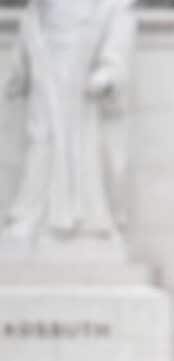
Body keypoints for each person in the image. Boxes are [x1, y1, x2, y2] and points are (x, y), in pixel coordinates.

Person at [3, 0, 136, 250]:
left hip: (84, 93)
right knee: (41, 146)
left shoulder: (112, 6)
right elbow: (30, 32)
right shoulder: (39, 7)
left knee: (84, 153)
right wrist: (19, 70)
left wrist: (107, 75)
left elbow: (118, 49)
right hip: (46, 82)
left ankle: (90, 224)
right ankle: (30, 215)